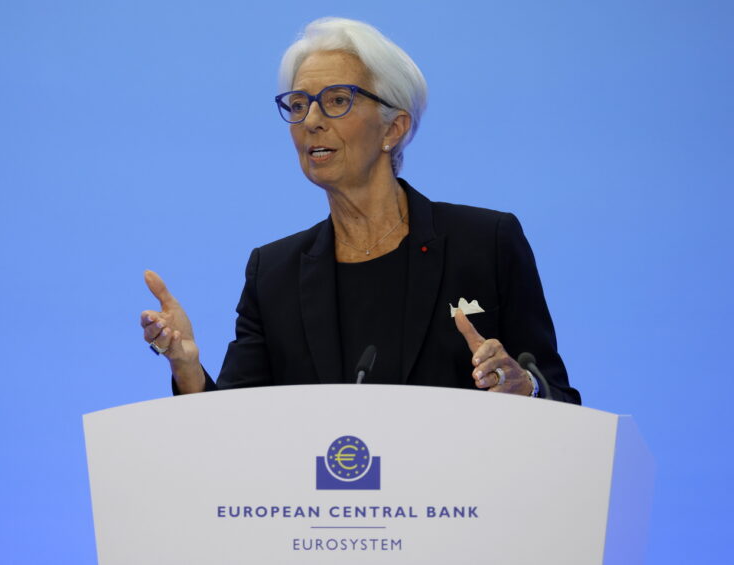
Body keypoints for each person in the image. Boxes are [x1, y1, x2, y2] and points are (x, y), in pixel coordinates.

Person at [139, 17, 581, 404]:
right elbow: (236, 429)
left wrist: (526, 389)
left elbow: (559, 400)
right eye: (297, 105)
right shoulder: (273, 274)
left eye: (336, 100)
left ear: (394, 126)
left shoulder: (486, 243)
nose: (311, 120)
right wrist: (187, 368)